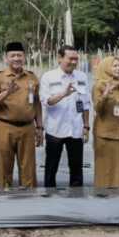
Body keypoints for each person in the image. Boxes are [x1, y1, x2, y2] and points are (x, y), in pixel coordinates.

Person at [0, 42, 43, 188]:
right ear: (6, 58)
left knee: (29, 167)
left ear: (24, 57)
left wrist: (40, 127)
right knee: (4, 165)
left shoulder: (31, 77)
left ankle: (29, 199)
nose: (16, 58)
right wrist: (7, 93)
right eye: (13, 55)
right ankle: (4, 198)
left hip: (27, 127)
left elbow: (36, 103)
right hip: (5, 126)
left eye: (19, 55)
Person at [40, 45, 90, 188]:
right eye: (70, 59)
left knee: (76, 169)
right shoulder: (48, 77)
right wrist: (63, 94)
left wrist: (86, 126)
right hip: (55, 129)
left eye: (76, 59)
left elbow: (85, 104)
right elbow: (47, 101)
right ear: (60, 58)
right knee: (51, 167)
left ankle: (76, 200)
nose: (74, 62)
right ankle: (49, 198)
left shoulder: (82, 77)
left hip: (75, 129)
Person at [92, 56, 119, 187]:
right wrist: (105, 94)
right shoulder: (99, 85)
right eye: (114, 66)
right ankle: (103, 194)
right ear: (106, 68)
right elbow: (98, 109)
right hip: (104, 133)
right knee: (105, 168)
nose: (118, 69)